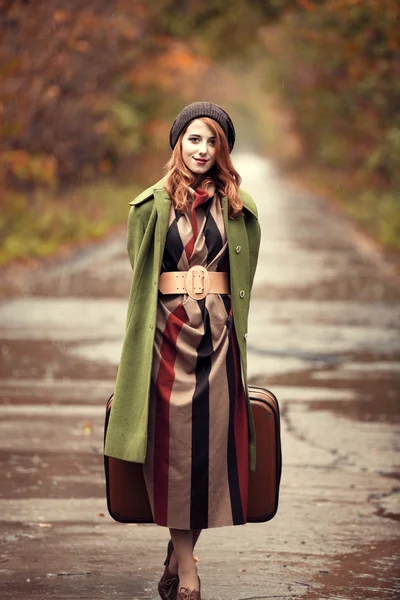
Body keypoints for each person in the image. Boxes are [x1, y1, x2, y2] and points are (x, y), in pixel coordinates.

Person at [104, 102, 261, 600]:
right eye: (194, 139)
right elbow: (141, 274)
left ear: (223, 150)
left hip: (217, 338)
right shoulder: (149, 206)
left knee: (209, 454)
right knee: (172, 453)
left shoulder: (238, 207)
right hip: (166, 337)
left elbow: (244, 278)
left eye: (212, 142)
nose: (203, 150)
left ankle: (178, 553)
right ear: (179, 143)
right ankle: (189, 570)